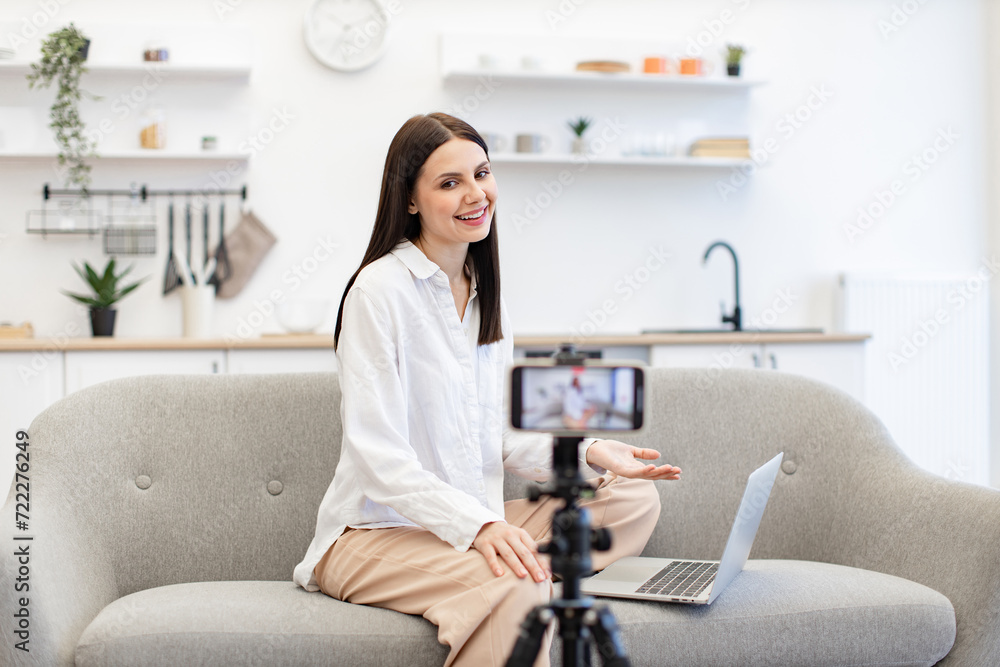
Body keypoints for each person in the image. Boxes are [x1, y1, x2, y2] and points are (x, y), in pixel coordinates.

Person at [292, 112, 682, 667]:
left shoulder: (480, 290)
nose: (475, 194)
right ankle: (517, 582)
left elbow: (497, 433)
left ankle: (515, 574)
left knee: (632, 499)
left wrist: (590, 451)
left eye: (481, 174)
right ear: (410, 200)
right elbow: (378, 457)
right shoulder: (378, 292)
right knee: (516, 582)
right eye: (450, 183)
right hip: (373, 534)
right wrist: (479, 527)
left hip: (466, 520)